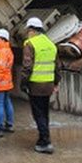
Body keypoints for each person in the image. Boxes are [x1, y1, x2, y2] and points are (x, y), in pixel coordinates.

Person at [19, 17, 60, 154]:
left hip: (35, 85)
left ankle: (45, 142)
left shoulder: (30, 44)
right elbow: (57, 66)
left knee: (38, 114)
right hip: (48, 85)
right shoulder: (51, 44)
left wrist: (23, 83)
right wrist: (56, 83)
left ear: (31, 30)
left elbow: (27, 67)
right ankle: (43, 139)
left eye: (28, 30)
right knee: (44, 113)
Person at [0, 28, 15, 134]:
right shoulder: (9, 51)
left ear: (3, 39)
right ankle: (9, 124)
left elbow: (0, 69)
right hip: (8, 82)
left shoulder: (1, 52)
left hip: (0, 83)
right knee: (7, 102)